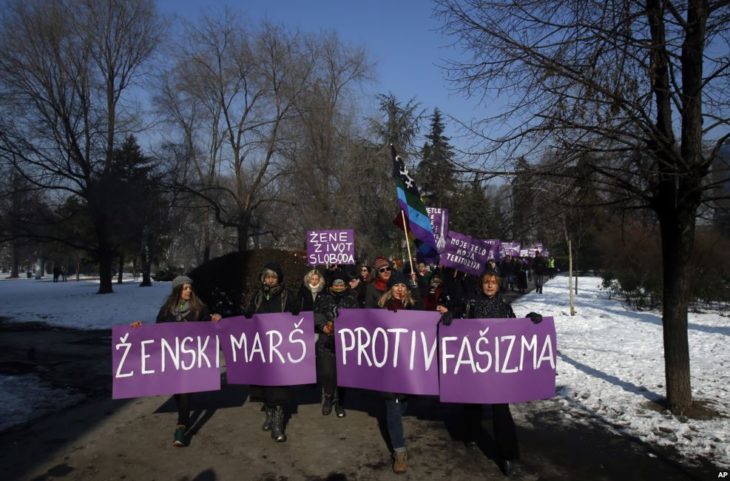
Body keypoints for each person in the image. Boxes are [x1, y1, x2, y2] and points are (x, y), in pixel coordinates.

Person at [439, 271, 542, 477]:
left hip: (496, 366)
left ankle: (507, 454)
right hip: (475, 362)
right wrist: (449, 315)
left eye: (494, 283)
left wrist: (530, 321)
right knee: (472, 403)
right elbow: (457, 319)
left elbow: (515, 329)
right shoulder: (471, 303)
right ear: (481, 284)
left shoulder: (504, 306)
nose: (490, 286)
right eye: (487, 282)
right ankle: (470, 433)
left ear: (498, 285)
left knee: (501, 409)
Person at [131, 275, 221, 447]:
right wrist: (140, 328)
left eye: (190, 287)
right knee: (178, 392)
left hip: (191, 357)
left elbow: (208, 330)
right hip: (172, 356)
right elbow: (157, 331)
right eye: (185, 288)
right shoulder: (167, 310)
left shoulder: (200, 308)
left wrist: (215, 320)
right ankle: (183, 416)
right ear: (177, 290)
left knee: (185, 389)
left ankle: (181, 426)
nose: (188, 291)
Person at [243, 261, 299, 443]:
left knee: (279, 387)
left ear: (279, 279)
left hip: (281, 349)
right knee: (264, 384)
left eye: (273, 277)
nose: (270, 280)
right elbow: (248, 315)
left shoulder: (286, 295)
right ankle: (268, 413)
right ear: (262, 278)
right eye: (267, 276)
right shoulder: (258, 295)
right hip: (261, 347)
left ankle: (278, 423)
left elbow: (297, 316)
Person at [377, 270, 422, 474]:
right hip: (388, 366)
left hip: (410, 364)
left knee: (403, 402)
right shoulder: (379, 308)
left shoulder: (414, 306)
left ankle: (397, 414)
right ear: (390, 288)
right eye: (396, 286)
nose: (399, 289)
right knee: (393, 405)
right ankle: (400, 451)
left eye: (403, 286)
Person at [315, 274, 359, 417]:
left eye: (341, 284)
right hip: (326, 340)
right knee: (327, 372)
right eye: (336, 284)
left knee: (342, 373)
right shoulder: (323, 297)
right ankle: (328, 397)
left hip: (345, 341)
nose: (339, 287)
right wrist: (323, 326)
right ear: (331, 285)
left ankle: (340, 402)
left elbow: (358, 316)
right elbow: (316, 314)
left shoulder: (352, 298)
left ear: (345, 285)